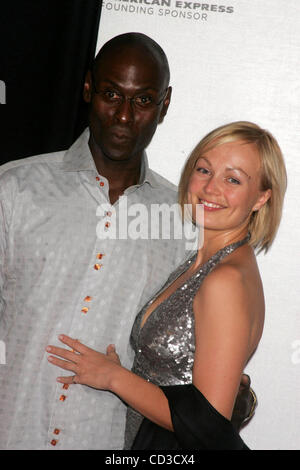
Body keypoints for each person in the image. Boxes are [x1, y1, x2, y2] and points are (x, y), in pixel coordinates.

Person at [0, 33, 253, 450]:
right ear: (87, 89)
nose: (122, 115)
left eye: (142, 101)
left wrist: (226, 393)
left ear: (164, 105)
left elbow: (190, 365)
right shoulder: (14, 189)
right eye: (111, 94)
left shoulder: (185, 224)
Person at [45, 121, 287, 449]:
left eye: (233, 179)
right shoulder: (205, 260)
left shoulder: (225, 279)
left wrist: (114, 377)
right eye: (204, 170)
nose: (211, 188)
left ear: (261, 198)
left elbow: (207, 420)